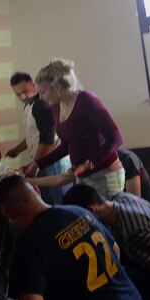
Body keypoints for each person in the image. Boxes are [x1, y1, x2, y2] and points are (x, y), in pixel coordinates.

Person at [0, 174, 150, 300]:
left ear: (8, 214)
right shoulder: (79, 212)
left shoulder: (27, 243)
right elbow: (115, 250)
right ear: (37, 191)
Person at [24, 58, 125, 198]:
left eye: (43, 92)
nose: (41, 97)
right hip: (82, 174)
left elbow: (116, 138)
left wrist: (89, 164)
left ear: (57, 88)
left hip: (105, 173)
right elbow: (67, 145)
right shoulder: (56, 106)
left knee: (106, 211)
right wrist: (37, 164)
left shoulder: (87, 100)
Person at [0, 71, 71, 204]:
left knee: (53, 201)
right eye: (18, 94)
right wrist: (17, 150)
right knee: (49, 199)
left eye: (25, 91)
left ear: (33, 85)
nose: (22, 96)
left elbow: (47, 139)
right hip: (44, 162)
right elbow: (34, 135)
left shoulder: (41, 106)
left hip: (50, 162)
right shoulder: (30, 105)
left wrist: (35, 164)